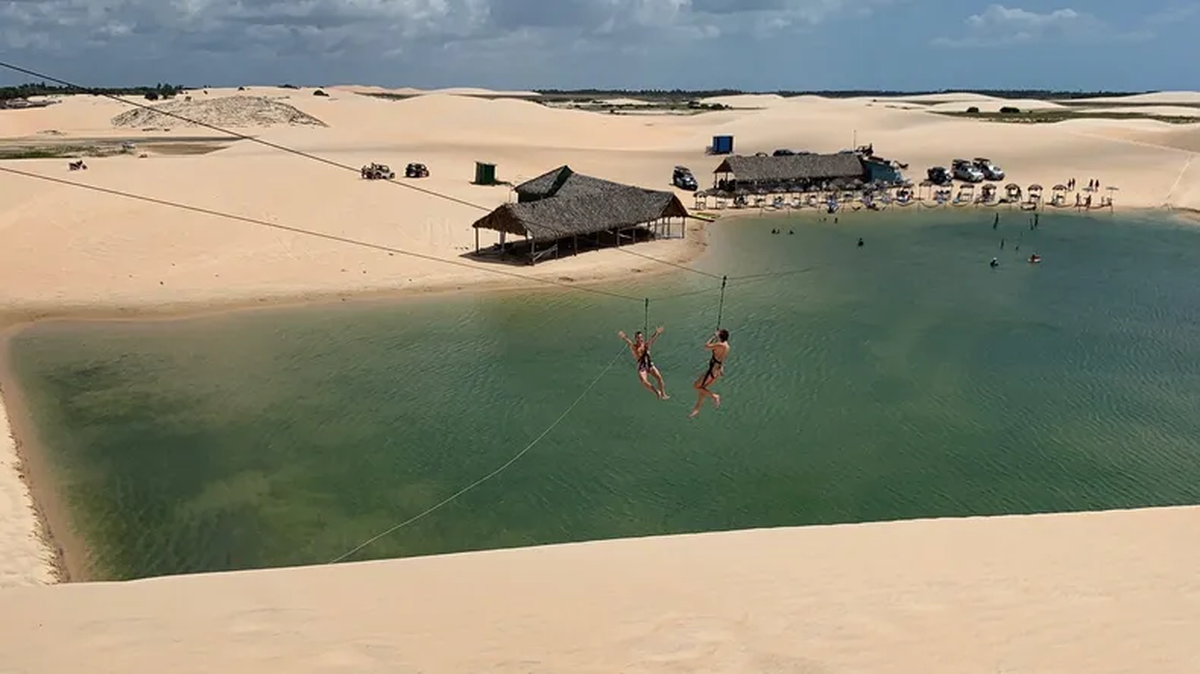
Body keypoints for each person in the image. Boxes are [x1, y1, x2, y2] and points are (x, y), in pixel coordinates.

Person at [618, 327, 668, 399]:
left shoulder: (646, 345)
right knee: (644, 382)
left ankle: (663, 394)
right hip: (642, 366)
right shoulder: (634, 347)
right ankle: (657, 392)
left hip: (649, 364)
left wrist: (657, 333)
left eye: (641, 337)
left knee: (659, 378)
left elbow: (652, 339)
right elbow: (628, 342)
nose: (640, 339)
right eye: (638, 338)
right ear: (636, 339)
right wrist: (623, 337)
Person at [690, 329, 730, 418]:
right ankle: (697, 408)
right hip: (717, 370)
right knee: (702, 388)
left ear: (720, 337)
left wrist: (713, 336)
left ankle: (715, 396)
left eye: (718, 335)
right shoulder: (727, 346)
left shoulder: (720, 344)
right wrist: (722, 368)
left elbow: (706, 346)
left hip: (712, 371)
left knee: (696, 386)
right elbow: (721, 358)